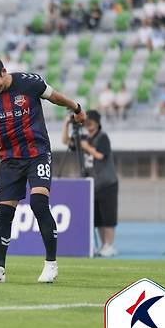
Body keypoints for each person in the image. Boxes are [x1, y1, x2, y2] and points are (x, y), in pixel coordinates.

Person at [0, 53, 86, 283]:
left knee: (38, 203)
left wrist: (77, 108)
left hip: (37, 154)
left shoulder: (29, 82)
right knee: (3, 213)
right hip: (10, 160)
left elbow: (55, 97)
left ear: (3, 72)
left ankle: (51, 265)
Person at [62, 110, 118, 257]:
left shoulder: (102, 137)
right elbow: (66, 142)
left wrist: (87, 148)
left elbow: (100, 155)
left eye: (91, 122)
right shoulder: (84, 138)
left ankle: (110, 245)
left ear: (97, 123)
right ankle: (103, 244)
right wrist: (66, 124)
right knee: (98, 218)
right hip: (93, 184)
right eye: (87, 123)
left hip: (107, 183)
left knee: (108, 217)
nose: (89, 125)